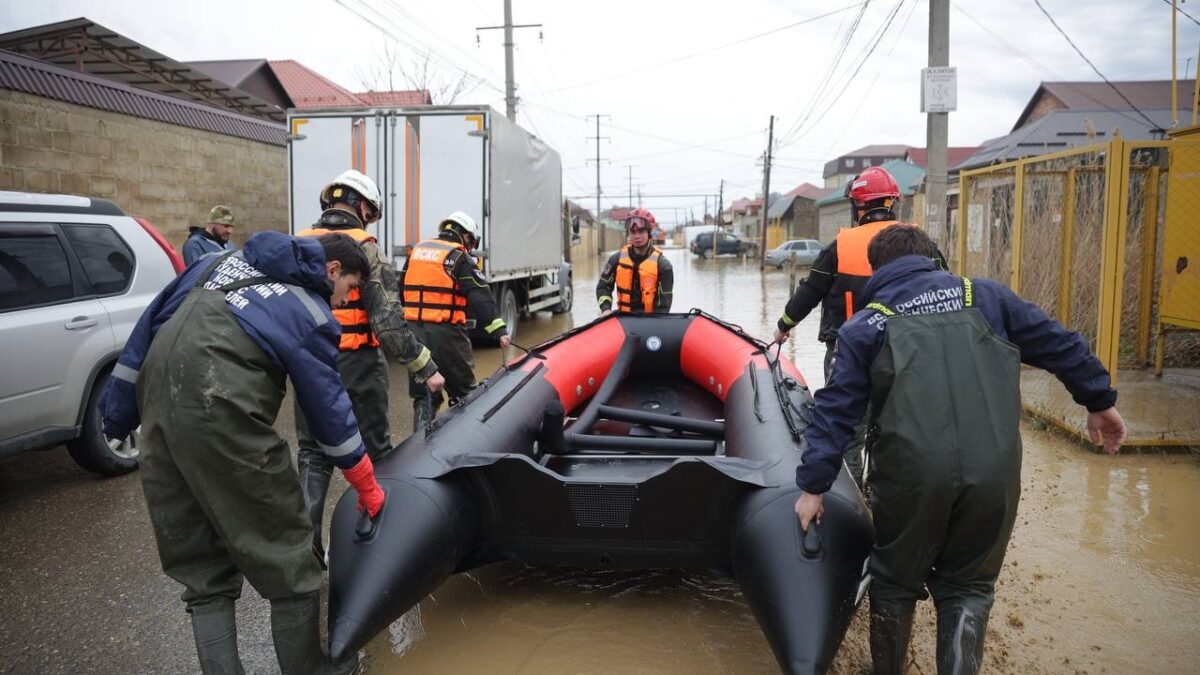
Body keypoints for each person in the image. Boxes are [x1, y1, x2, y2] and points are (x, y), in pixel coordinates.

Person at [791, 224, 1126, 675]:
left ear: (877, 271)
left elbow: (835, 412)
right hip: (995, 476)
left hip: (911, 479)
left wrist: (812, 486)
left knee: (894, 583)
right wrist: (1099, 400)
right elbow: (1059, 343)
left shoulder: (865, 325)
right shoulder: (988, 298)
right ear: (934, 259)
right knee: (969, 589)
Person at [100, 231, 386, 675]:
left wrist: (117, 415)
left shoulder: (211, 265)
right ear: (332, 270)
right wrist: (366, 483)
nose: (344, 303)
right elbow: (328, 408)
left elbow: (146, 332)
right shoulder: (307, 310)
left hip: (159, 422)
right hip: (223, 418)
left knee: (203, 571)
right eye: (348, 290)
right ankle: (311, 669)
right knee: (291, 554)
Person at [295, 169, 444, 567]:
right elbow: (388, 323)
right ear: (361, 207)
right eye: (371, 213)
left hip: (307, 363)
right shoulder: (367, 250)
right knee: (374, 453)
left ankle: (308, 556)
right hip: (356, 363)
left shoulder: (299, 243)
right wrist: (424, 365)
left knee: (312, 454)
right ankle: (375, 549)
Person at [772, 166, 944, 487]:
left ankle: (850, 499)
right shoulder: (921, 244)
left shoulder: (840, 247)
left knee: (846, 431)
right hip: (905, 354)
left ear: (858, 206)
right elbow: (945, 291)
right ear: (893, 203)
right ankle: (886, 496)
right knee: (897, 431)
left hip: (848, 354)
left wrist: (784, 325)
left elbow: (810, 292)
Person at [400, 211, 509, 431]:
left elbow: (402, 288)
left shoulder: (417, 252)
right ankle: (463, 440)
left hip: (414, 334)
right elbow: (480, 297)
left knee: (424, 396)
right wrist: (499, 330)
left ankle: (418, 448)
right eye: (472, 242)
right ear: (466, 236)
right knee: (464, 393)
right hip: (447, 335)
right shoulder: (458, 257)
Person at [595, 207, 674, 314]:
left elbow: (664, 305)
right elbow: (603, 287)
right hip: (624, 320)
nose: (636, 236)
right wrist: (606, 309)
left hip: (651, 322)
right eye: (633, 231)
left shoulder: (664, 266)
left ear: (649, 232)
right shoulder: (615, 260)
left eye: (641, 231)